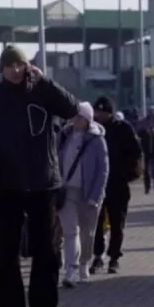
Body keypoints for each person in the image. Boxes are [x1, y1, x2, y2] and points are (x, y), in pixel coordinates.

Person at [0, 45, 78, 307]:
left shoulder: (42, 92)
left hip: (43, 183)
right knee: (6, 255)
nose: (16, 70)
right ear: (2, 69)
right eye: (10, 66)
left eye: (21, 64)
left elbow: (71, 108)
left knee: (47, 251)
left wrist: (45, 81)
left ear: (29, 65)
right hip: (5, 186)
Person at [57, 102, 108, 287]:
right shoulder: (64, 136)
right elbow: (56, 160)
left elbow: (103, 171)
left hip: (88, 194)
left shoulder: (97, 140)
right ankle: (70, 269)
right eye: (73, 116)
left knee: (88, 233)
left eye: (78, 116)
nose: (74, 120)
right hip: (67, 191)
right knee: (71, 232)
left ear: (87, 119)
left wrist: (96, 196)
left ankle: (84, 264)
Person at [89, 97, 142, 275]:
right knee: (96, 223)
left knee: (117, 222)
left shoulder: (123, 129)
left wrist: (128, 174)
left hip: (117, 183)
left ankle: (114, 257)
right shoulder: (92, 130)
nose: (100, 115)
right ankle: (97, 255)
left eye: (104, 112)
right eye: (97, 112)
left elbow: (136, 152)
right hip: (96, 184)